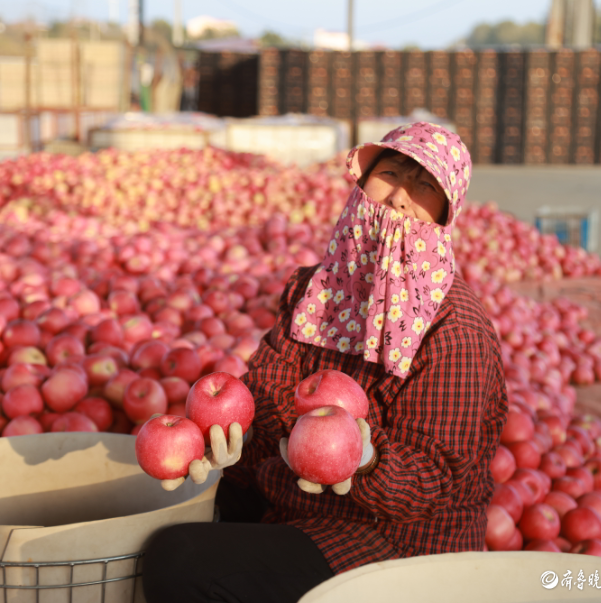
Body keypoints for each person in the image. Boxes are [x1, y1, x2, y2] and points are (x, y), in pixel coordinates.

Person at [142, 122, 508, 603]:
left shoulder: (453, 331)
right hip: (292, 494)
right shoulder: (318, 291)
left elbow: (433, 479)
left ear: (446, 214)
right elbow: (266, 392)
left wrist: (364, 457)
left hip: (395, 539)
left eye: (425, 185)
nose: (400, 196)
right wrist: (234, 438)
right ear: (359, 183)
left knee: (180, 556)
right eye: (392, 172)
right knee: (164, 514)